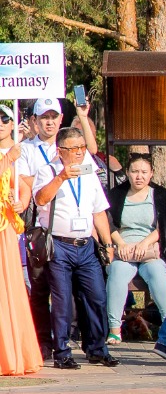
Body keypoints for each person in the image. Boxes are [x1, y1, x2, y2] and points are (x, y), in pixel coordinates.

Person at [32, 127, 118, 369]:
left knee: (97, 297)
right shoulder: (47, 171)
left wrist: (107, 242)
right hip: (59, 244)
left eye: (82, 147)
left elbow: (99, 210)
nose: (80, 153)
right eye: (74, 149)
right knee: (62, 302)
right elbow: (40, 199)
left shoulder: (89, 173)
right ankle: (62, 351)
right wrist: (61, 177)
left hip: (86, 245)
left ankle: (97, 348)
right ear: (60, 151)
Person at [105, 154, 166, 344]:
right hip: (124, 248)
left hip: (150, 249)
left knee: (157, 273)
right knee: (117, 272)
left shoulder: (162, 196)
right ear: (128, 173)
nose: (139, 176)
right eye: (135, 171)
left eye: (144, 172)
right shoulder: (116, 194)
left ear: (151, 173)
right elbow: (108, 223)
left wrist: (145, 243)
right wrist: (120, 244)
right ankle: (114, 329)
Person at [19, 96, 64, 359]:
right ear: (35, 121)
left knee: (65, 288)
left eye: (53, 117)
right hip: (37, 228)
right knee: (40, 288)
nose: (49, 122)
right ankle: (43, 342)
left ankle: (64, 340)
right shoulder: (26, 149)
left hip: (66, 228)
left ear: (60, 119)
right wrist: (54, 173)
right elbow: (26, 181)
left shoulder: (69, 145)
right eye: (43, 117)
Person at [0, 105, 41, 376]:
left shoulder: (24, 152)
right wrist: (5, 160)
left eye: (5, 118)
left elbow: (26, 189)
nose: (0, 123)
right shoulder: (12, 154)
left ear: (14, 123)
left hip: (6, 229)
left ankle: (14, 353)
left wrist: (21, 202)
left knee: (10, 287)